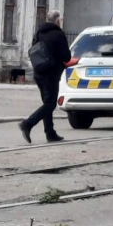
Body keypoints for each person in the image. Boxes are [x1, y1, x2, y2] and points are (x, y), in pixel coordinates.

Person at [19, 10, 71, 144]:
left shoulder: (39, 32)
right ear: (58, 20)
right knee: (50, 104)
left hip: (39, 73)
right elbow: (66, 56)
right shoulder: (59, 34)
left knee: (47, 103)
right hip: (52, 74)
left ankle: (50, 133)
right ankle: (28, 124)